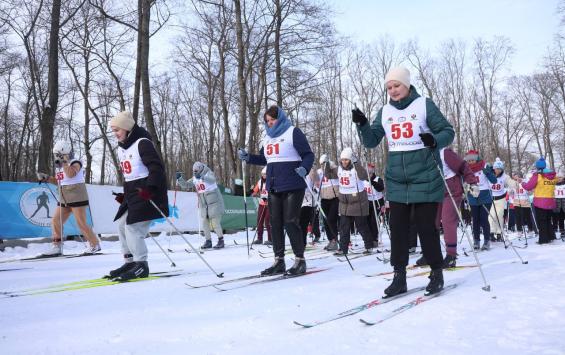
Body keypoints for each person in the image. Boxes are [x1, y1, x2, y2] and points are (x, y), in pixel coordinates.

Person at [353, 66, 455, 296]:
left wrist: (434, 140)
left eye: (396, 85)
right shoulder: (385, 111)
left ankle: (436, 272)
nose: (393, 90)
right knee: (397, 230)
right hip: (398, 179)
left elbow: (448, 131)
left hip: (426, 175)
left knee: (426, 228)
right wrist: (362, 125)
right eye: (389, 87)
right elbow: (371, 141)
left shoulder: (424, 104)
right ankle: (399, 277)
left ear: (407, 85)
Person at [238, 105, 314, 276]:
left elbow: (308, 154)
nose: (270, 123)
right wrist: (248, 157)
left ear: (280, 118)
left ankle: (300, 260)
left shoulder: (293, 132)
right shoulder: (267, 138)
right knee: (275, 223)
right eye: (268, 121)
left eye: (273, 120)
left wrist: (305, 168)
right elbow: (265, 159)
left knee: (290, 221)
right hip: (273, 185)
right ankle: (278, 260)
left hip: (293, 184)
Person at [105, 111, 169, 281]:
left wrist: (151, 188)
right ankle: (130, 262)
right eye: (113, 130)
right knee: (121, 225)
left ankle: (141, 265)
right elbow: (130, 176)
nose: (115, 134)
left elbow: (157, 168)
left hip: (148, 193)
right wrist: (124, 195)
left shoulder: (143, 143)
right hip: (133, 193)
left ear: (126, 128)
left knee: (133, 227)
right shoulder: (122, 149)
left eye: (117, 129)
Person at [37, 141, 101, 256]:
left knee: (81, 223)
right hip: (64, 198)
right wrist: (47, 178)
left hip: (77, 197)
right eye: (56, 155)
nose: (56, 157)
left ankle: (94, 244)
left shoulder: (76, 162)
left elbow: (71, 174)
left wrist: (65, 161)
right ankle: (57, 246)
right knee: (56, 220)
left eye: (58, 154)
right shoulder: (60, 167)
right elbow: (59, 181)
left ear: (64, 153)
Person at [435, 147, 478, 268]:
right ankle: (431, 253)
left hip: (451, 191)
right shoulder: (422, 153)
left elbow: (463, 166)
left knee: (448, 220)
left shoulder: (444, 153)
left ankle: (451, 255)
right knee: (430, 222)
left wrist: (472, 182)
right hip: (434, 191)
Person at [327, 147, 373, 255]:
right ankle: (343, 248)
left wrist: (356, 163)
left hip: (358, 201)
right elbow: (328, 175)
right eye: (342, 160)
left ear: (351, 160)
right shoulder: (338, 169)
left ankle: (369, 245)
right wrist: (327, 164)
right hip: (344, 202)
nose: (344, 162)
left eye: (346, 159)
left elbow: (363, 176)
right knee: (344, 227)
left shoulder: (356, 169)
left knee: (361, 226)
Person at [177, 162, 225, 249]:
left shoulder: (208, 173)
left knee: (215, 223)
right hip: (204, 204)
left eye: (196, 171)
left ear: (200, 169)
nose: (195, 173)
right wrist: (180, 179)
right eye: (194, 171)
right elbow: (186, 185)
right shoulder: (195, 178)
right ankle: (208, 241)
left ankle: (221, 240)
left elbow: (212, 180)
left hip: (215, 203)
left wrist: (202, 177)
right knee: (204, 223)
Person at [463, 150, 497, 250]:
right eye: (469, 161)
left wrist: (488, 173)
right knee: (475, 220)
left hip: (485, 196)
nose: (471, 162)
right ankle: (476, 241)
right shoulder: (466, 169)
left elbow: (494, 181)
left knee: (483, 219)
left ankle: (486, 241)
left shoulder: (484, 166)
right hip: (472, 196)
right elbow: (463, 183)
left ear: (477, 159)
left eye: (473, 160)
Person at [519, 157, 557, 244]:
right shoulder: (553, 175)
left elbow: (529, 187)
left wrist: (523, 183)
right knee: (548, 219)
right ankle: (551, 236)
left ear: (538, 167)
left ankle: (543, 240)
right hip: (550, 200)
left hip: (540, 201)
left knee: (541, 220)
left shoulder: (537, 175)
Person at [488, 158, 518, 242]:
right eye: (496, 169)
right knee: (491, 216)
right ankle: (491, 232)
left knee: (499, 216)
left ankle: (499, 233)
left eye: (499, 169)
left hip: (501, 199)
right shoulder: (490, 175)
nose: (498, 170)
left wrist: (515, 184)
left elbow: (510, 182)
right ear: (493, 168)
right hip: (491, 200)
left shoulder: (505, 176)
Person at [318, 154, 340, 251]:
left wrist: (328, 166)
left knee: (332, 219)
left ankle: (335, 240)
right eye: (321, 164)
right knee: (326, 221)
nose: (323, 166)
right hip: (324, 198)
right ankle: (331, 240)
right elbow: (314, 180)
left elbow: (335, 175)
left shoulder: (334, 169)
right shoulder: (319, 172)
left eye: (324, 163)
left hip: (334, 197)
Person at [365, 163, 385, 248]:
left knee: (374, 221)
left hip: (377, 201)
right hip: (367, 202)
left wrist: (372, 182)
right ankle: (369, 239)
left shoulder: (378, 179)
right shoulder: (363, 180)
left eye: (370, 172)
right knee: (367, 221)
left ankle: (375, 239)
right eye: (368, 172)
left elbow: (380, 188)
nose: (369, 174)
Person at [299, 168, 320, 246]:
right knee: (300, 223)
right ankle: (301, 242)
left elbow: (317, 183)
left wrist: (315, 188)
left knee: (306, 222)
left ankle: (303, 242)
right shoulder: (294, 169)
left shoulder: (311, 170)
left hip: (309, 201)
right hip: (299, 200)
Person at [251, 167, 272, 245]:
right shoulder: (260, 182)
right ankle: (259, 238)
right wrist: (251, 192)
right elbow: (255, 191)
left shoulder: (271, 181)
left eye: (265, 174)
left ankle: (271, 239)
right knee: (259, 221)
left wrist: (268, 198)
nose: (264, 176)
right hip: (261, 204)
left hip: (270, 204)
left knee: (267, 221)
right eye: (262, 174)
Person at [552, 169, 565, 238]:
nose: (559, 179)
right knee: (557, 217)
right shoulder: (554, 184)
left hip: (563, 202)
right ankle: (558, 229)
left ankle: (562, 230)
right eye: (558, 177)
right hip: (556, 202)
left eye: (560, 177)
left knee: (562, 216)